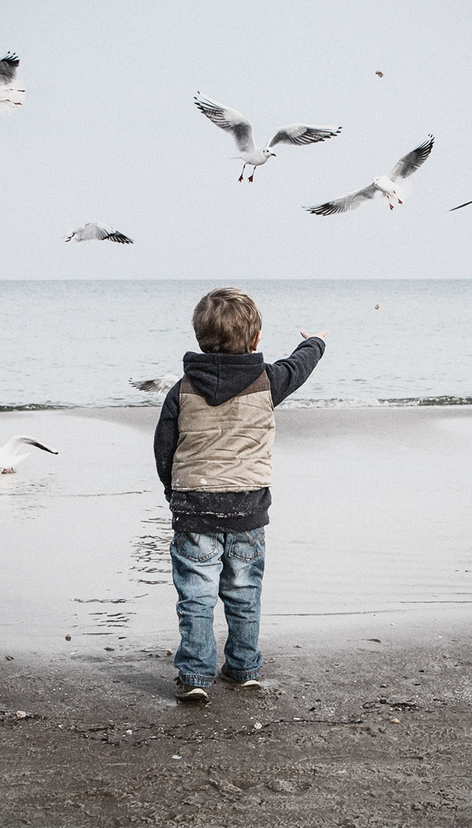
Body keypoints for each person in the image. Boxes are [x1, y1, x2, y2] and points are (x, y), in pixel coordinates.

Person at [154, 286, 326, 701]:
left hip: (195, 508)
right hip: (248, 508)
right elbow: (298, 366)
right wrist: (315, 343)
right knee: (244, 592)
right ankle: (243, 667)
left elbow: (165, 448)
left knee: (196, 596)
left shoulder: (181, 391)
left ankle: (195, 677)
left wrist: (172, 492)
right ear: (255, 340)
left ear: (199, 337)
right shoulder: (267, 381)